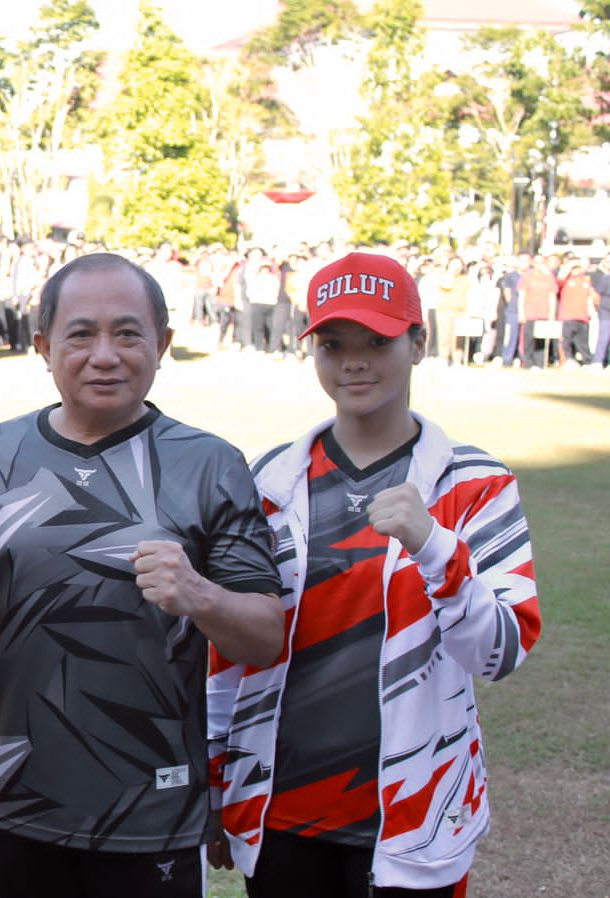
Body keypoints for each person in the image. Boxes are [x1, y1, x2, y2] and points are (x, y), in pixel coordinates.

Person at [0, 252, 284, 898]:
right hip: (18, 802)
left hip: (151, 813)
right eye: (81, 334)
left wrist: (199, 595)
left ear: (163, 344)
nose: (105, 354)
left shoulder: (211, 465)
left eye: (128, 334)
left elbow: (264, 636)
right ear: (43, 347)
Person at [208, 252, 542, 898]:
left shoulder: (475, 485)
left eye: (377, 341)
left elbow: (499, 652)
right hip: (282, 812)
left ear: (418, 342)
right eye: (333, 344)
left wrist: (434, 547)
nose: (354, 361)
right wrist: (219, 775)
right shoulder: (270, 481)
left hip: (416, 813)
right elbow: (231, 651)